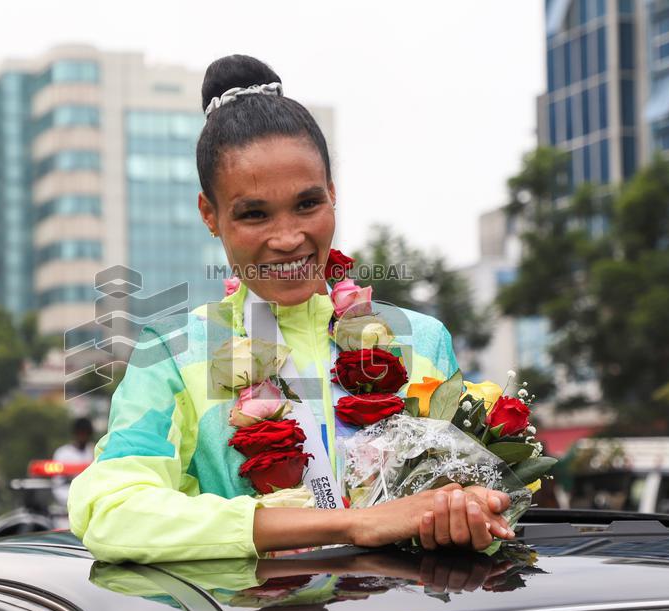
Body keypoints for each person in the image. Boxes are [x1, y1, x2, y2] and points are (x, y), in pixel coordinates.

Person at [69, 55, 513, 563]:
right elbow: (111, 513)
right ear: (209, 214)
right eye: (254, 214)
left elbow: (477, 496)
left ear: (332, 193)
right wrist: (356, 524)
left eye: (307, 204)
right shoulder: (174, 355)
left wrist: (468, 511)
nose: (287, 238)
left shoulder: (420, 339)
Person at [53, 418, 96, 506]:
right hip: (66, 503)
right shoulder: (62, 453)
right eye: (81, 433)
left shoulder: (94, 452)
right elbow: (58, 484)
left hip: (90, 502)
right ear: (75, 433)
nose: (83, 436)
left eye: (86, 433)